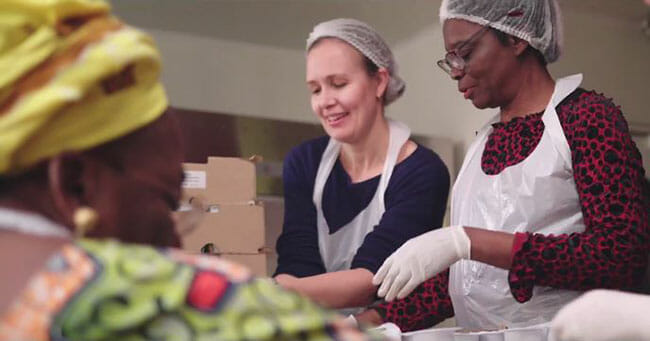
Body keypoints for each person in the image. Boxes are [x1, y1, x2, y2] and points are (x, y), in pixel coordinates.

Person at [0, 1, 381, 340]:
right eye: (167, 205)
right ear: (75, 184)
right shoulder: (157, 298)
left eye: (339, 83)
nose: (175, 243)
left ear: (380, 83)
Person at [364, 0, 649, 332]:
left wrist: (468, 241)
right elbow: (469, 279)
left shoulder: (587, 119)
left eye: (465, 53)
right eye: (450, 59)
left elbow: (619, 256)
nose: (456, 70)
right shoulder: (483, 143)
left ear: (516, 38)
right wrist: (369, 321)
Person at [274, 18, 450, 310]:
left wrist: (267, 292)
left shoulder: (423, 172)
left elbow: (375, 280)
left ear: (380, 82)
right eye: (315, 89)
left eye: (338, 84)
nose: (325, 101)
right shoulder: (304, 162)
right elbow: (296, 263)